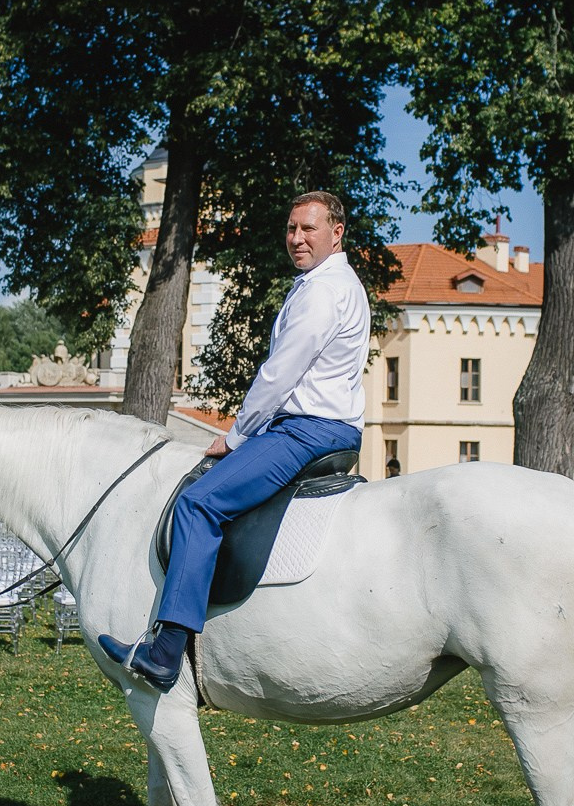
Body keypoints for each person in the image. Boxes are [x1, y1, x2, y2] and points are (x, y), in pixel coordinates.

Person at [99, 191, 371, 691]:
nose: (296, 238)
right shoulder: (332, 283)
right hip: (327, 425)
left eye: (308, 229)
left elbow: (281, 373)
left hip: (306, 429)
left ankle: (165, 651)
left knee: (199, 503)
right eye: (291, 229)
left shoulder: (321, 291)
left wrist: (238, 434)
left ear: (337, 233)